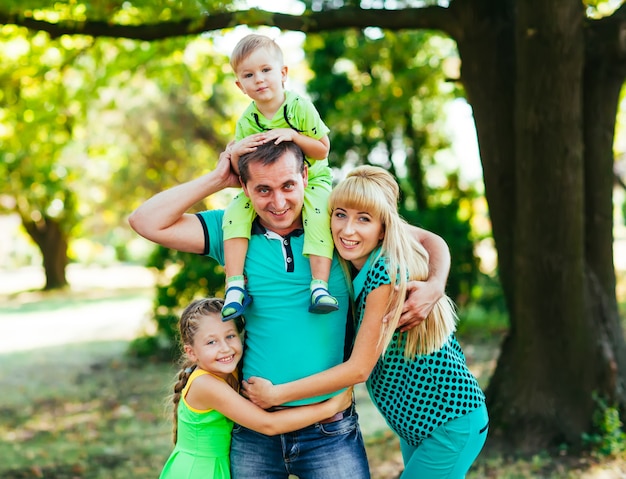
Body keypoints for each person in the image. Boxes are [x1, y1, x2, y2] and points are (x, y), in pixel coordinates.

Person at [128, 141, 451, 479]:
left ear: (305, 177)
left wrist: (436, 284)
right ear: (245, 187)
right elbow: (145, 221)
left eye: (287, 186)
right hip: (254, 432)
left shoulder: (337, 226)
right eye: (263, 189)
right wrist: (217, 178)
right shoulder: (232, 232)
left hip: (330, 429)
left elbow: (427, 241)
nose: (278, 202)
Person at [243, 166, 489, 478]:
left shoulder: (384, 272)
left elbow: (359, 369)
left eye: (364, 219)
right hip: (417, 423)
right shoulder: (350, 254)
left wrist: (277, 395)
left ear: (383, 228)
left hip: (449, 421)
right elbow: (430, 239)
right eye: (341, 214)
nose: (348, 230)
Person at [158, 297, 353, 479]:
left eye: (230, 336)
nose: (225, 348)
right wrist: (330, 408)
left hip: (215, 467)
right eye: (211, 342)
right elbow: (268, 424)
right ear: (191, 353)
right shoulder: (205, 384)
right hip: (198, 472)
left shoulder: (228, 372)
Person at [222, 33, 337, 320]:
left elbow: (323, 150)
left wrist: (294, 136)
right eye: (249, 75)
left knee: (319, 213)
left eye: (266, 70)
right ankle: (234, 285)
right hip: (270, 185)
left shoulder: (299, 107)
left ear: (283, 73)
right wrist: (236, 153)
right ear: (241, 85)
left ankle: (319, 286)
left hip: (312, 179)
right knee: (235, 210)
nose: (259, 79)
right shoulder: (248, 120)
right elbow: (244, 169)